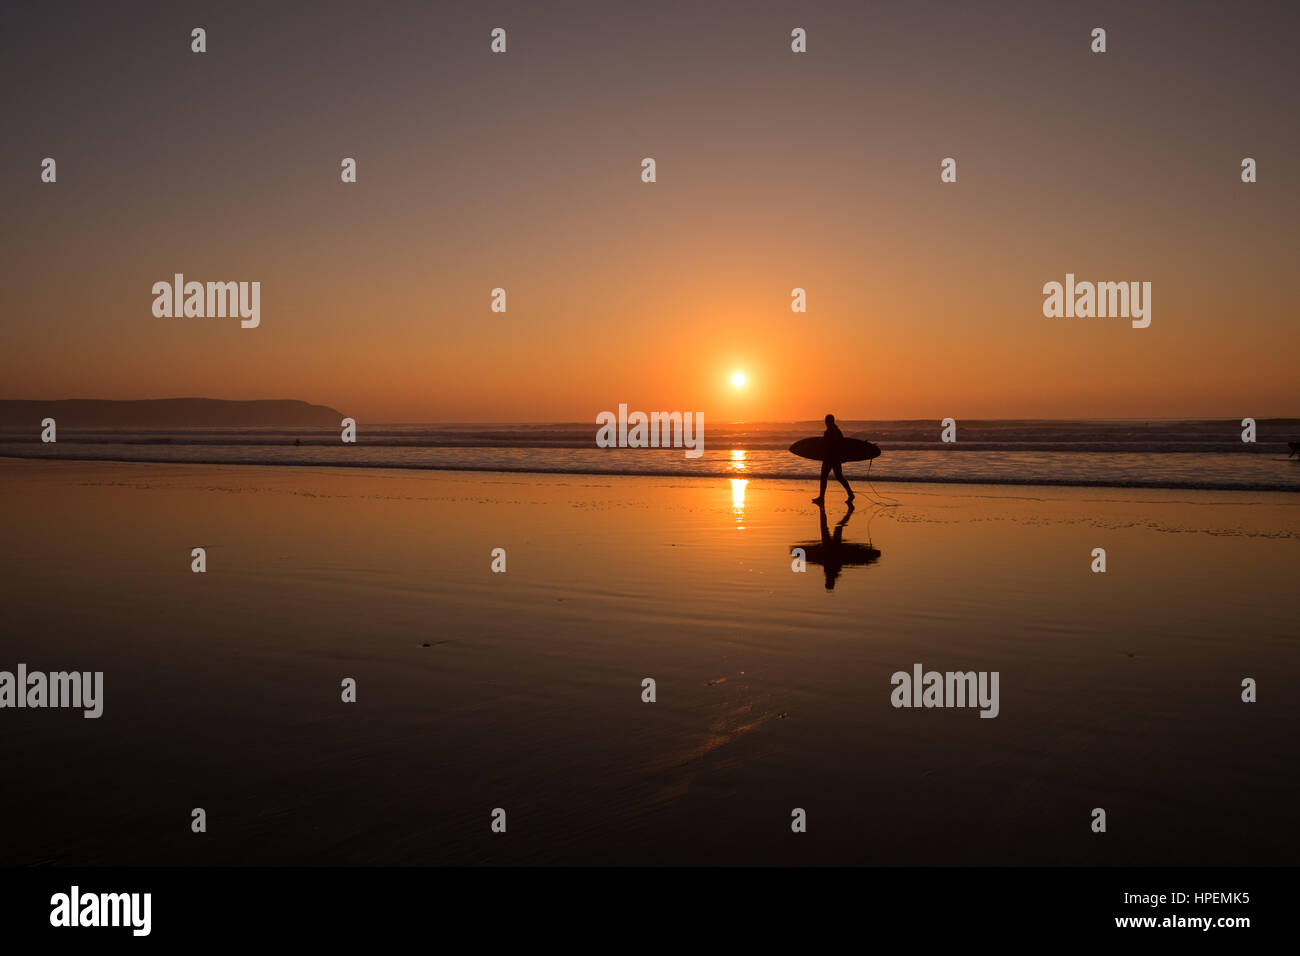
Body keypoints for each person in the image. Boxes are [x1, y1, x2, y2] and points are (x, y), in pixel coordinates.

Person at [812, 413, 854, 505]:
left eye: (827, 421)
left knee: (825, 476)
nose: (826, 423)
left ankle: (821, 498)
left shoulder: (830, 432)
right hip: (835, 458)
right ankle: (850, 494)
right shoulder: (837, 431)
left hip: (830, 458)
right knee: (838, 476)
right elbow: (842, 445)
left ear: (829, 422)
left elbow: (829, 446)